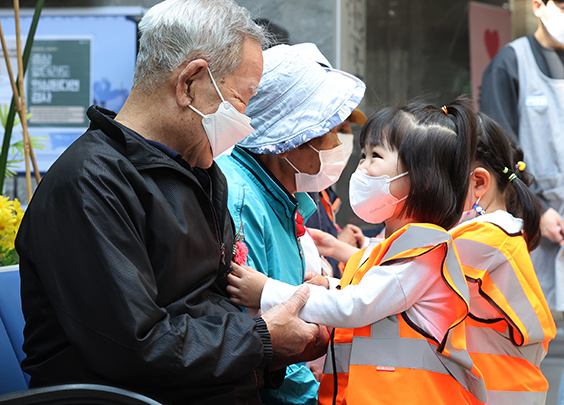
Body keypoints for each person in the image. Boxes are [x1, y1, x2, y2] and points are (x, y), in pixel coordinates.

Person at [15, 1, 329, 404]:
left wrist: (284, 323)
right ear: (189, 83)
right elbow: (134, 346)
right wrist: (264, 338)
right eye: (242, 99)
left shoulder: (203, 174)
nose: (247, 121)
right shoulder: (89, 184)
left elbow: (212, 305)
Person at [227, 99, 489, 404]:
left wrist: (268, 292)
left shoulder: (424, 249)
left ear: (423, 178)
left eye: (375, 156)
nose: (361, 166)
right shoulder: (398, 246)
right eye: (364, 155)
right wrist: (331, 285)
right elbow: (382, 297)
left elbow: (358, 305)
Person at [216, 42, 365, 405]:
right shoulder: (241, 197)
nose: (338, 143)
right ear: (289, 139)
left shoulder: (281, 197)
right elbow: (259, 333)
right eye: (330, 129)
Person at [480, 1, 564, 403]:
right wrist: (535, 206)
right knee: (517, 333)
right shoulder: (508, 63)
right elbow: (499, 151)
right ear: (538, 6)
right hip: (527, 222)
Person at [451, 113, 557, 404]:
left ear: (479, 182)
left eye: (437, 170)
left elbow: (410, 277)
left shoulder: (484, 237)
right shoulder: (497, 231)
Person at [305, 109, 368, 277]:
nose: (338, 141)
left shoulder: (325, 191)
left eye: (343, 130)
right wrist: (337, 246)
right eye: (331, 129)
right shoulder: (300, 189)